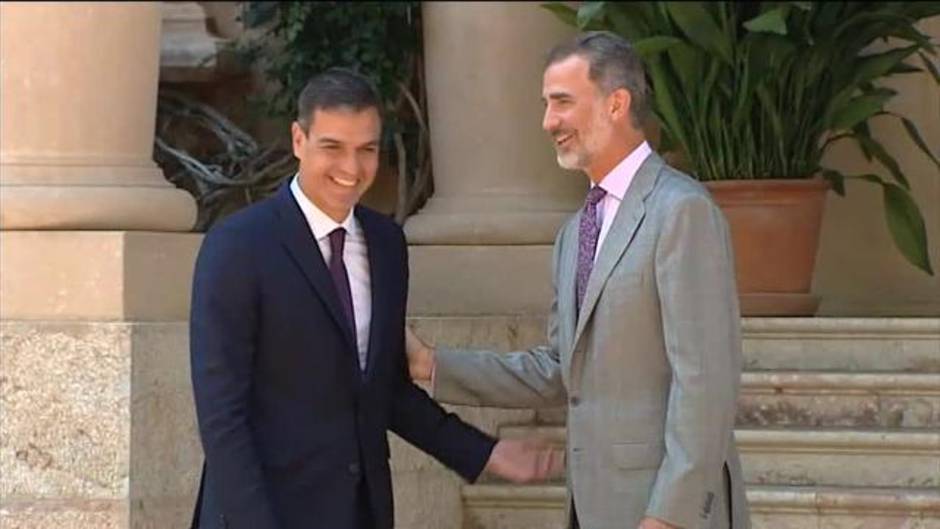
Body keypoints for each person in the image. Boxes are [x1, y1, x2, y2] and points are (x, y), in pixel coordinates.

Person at [189, 67, 561, 529]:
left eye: (366, 150)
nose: (352, 169)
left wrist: (487, 454)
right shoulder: (237, 245)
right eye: (333, 148)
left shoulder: (386, 244)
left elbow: (384, 390)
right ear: (298, 140)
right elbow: (222, 416)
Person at [406, 32, 750, 529]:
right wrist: (432, 364)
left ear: (617, 103)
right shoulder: (574, 233)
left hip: (665, 512)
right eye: (546, 105)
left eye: (562, 102)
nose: (549, 122)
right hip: (593, 508)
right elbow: (560, 367)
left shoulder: (682, 211)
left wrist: (670, 515)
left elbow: (706, 383)